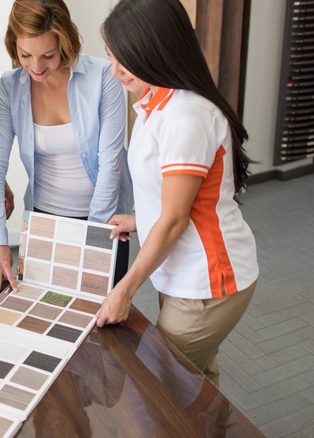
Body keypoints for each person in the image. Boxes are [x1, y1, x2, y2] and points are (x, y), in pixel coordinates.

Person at [96, 0, 259, 387]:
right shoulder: (156, 101)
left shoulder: (187, 117)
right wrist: (140, 219)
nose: (115, 70)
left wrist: (123, 290)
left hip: (207, 283)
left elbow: (173, 220)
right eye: (111, 57)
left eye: (126, 59)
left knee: (159, 390)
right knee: (197, 381)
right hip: (180, 275)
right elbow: (174, 198)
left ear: (157, 50)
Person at [0, 0, 133, 296]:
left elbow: (110, 163)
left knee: (102, 321)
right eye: (25, 55)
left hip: (104, 220)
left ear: (64, 42)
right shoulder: (10, 87)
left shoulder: (103, 78)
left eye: (47, 55)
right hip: (42, 222)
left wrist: (93, 237)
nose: (36, 67)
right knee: (44, 313)